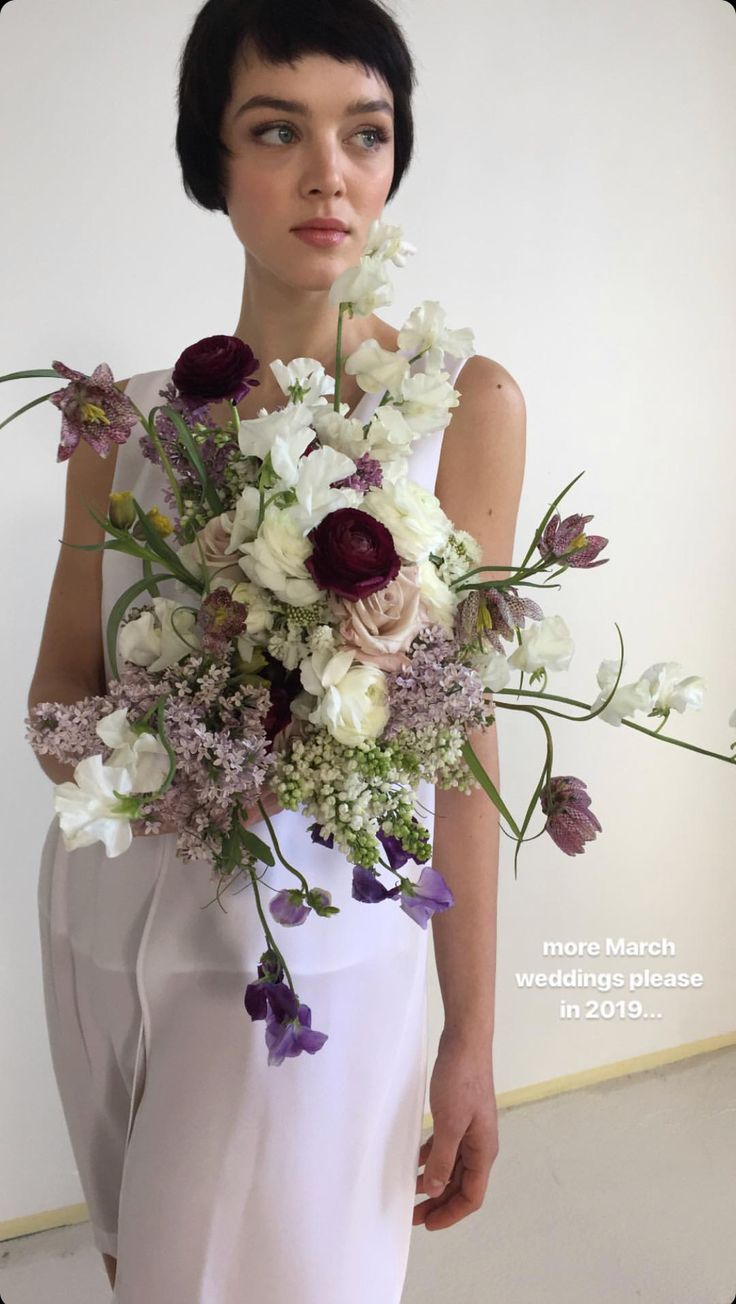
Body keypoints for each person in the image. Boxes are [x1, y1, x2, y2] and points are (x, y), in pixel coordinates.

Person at [30, 1, 525, 1299]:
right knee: (145, 1270)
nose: (329, 173)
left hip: (312, 961)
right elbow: (55, 698)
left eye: (366, 132)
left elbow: (465, 738)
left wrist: (470, 1038)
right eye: (276, 128)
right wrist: (173, 741)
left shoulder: (461, 406)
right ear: (211, 159)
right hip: (98, 936)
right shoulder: (116, 424)